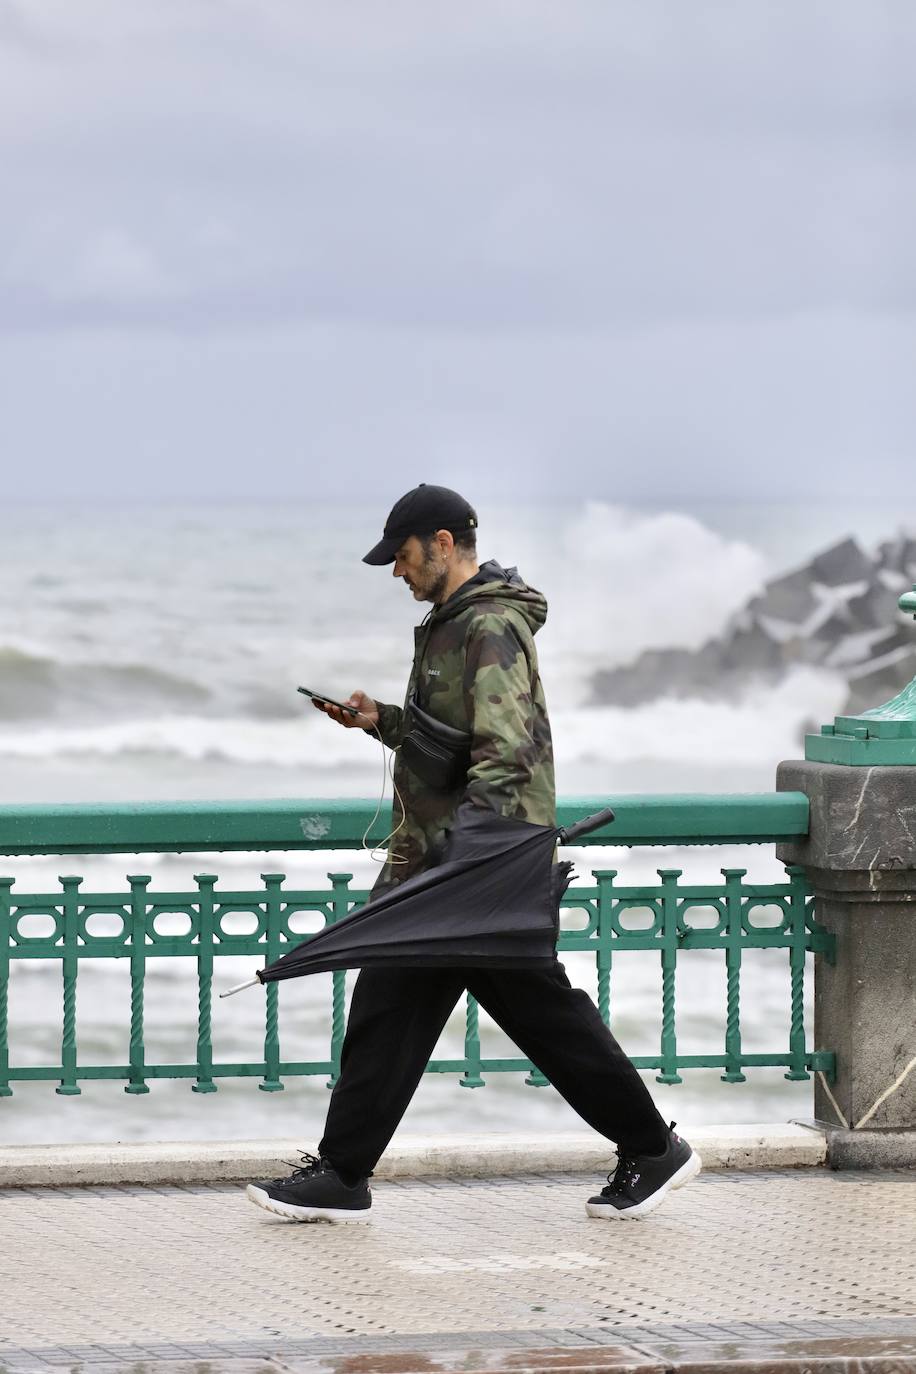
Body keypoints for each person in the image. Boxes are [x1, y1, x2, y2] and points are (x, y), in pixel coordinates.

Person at [247, 484, 700, 1223]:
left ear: (443, 544)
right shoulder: (451, 625)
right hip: (450, 863)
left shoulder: (487, 626)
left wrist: (469, 860)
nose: (397, 571)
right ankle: (343, 1174)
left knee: (548, 1020)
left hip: (478, 869)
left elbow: (506, 751)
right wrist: (381, 722)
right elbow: (453, 740)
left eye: (401, 556)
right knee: (388, 1005)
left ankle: (654, 1148)